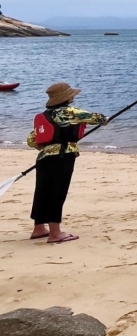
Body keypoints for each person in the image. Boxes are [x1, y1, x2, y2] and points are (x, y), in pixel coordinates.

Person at [26, 82, 107, 243]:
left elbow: (31, 140)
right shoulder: (70, 112)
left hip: (43, 158)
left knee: (43, 191)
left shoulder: (44, 115)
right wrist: (105, 119)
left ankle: (39, 228)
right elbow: (98, 118)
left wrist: (47, 150)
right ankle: (55, 233)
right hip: (63, 156)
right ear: (67, 97)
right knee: (57, 192)